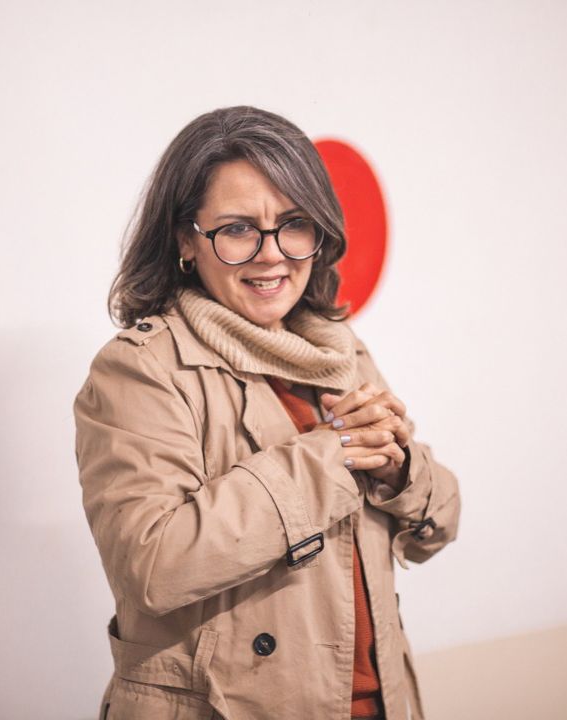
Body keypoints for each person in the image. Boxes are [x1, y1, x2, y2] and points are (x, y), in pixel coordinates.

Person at [73, 105, 460, 720]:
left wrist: (398, 470)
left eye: (293, 224)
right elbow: (152, 568)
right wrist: (331, 457)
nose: (272, 254)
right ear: (184, 239)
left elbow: (440, 524)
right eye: (237, 229)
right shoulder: (140, 368)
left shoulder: (337, 349)